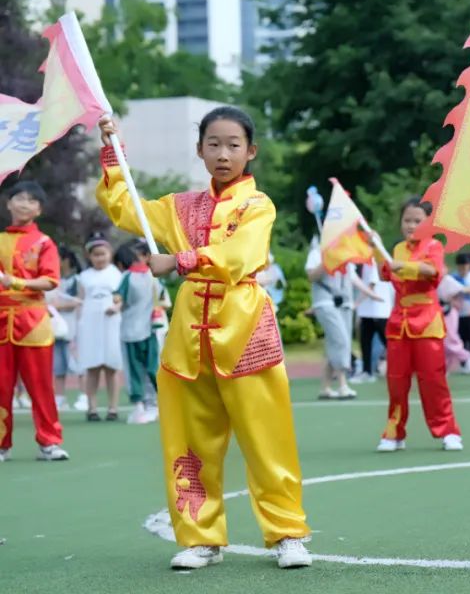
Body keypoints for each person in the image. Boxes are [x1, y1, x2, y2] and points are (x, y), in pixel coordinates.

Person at [98, 108, 312, 570]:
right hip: (188, 342)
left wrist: (179, 261)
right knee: (189, 444)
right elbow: (124, 207)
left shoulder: (259, 205)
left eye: (234, 144)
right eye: (213, 144)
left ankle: (287, 533)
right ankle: (200, 538)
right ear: (199, 150)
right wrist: (112, 153)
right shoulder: (177, 207)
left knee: (266, 441)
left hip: (247, 333)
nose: (223, 153)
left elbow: (241, 256)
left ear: (250, 152)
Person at [373, 197, 463, 453]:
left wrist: (403, 266)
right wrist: (376, 248)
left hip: (426, 322)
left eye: (417, 221)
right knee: (396, 382)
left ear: (428, 224)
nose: (411, 225)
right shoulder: (398, 249)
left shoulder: (434, 246)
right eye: (407, 220)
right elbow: (386, 273)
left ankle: (448, 431)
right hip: (399, 323)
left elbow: (432, 272)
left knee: (433, 380)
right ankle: (394, 433)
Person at [0, 180, 68, 463]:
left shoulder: (44, 243)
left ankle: (49, 442)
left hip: (33, 322)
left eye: (32, 200)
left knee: (40, 385)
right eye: (19, 198)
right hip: (1, 320)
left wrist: (12, 281)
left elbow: (50, 280)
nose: (24, 203)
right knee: (1, 386)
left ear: (39, 210)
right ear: (8, 203)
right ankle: (2, 445)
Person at [306, 240, 373, 400]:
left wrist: (371, 293)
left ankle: (326, 387)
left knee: (334, 343)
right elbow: (311, 276)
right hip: (325, 302)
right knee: (341, 340)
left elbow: (353, 278)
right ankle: (343, 384)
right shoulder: (317, 252)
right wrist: (327, 261)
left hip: (344, 303)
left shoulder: (346, 254)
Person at [77, 234, 124, 421]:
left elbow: (121, 297)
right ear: (90, 256)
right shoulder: (84, 277)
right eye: (95, 255)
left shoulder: (117, 274)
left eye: (103, 254)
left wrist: (117, 307)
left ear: (109, 254)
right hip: (90, 322)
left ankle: (113, 408)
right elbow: (80, 300)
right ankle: (92, 408)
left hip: (112, 322)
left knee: (111, 367)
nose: (99, 258)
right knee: (92, 367)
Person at [114, 240, 160, 425]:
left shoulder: (127, 277)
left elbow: (118, 298)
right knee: (152, 367)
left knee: (134, 369)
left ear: (120, 263)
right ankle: (156, 404)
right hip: (150, 329)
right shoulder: (153, 275)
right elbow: (161, 297)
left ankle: (140, 405)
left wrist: (115, 305)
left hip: (130, 331)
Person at [47, 246, 84, 412]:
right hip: (56, 328)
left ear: (66, 260)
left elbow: (78, 302)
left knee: (78, 363)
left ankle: (83, 396)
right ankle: (60, 398)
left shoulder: (77, 280)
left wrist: (59, 305)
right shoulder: (52, 280)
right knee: (58, 365)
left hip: (74, 328)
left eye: (57, 258)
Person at [352, 261, 392, 383]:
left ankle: (406, 368)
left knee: (389, 343)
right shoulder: (359, 265)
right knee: (365, 344)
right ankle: (367, 372)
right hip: (366, 312)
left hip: (379, 311)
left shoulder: (371, 263)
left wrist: (356, 304)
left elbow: (371, 285)